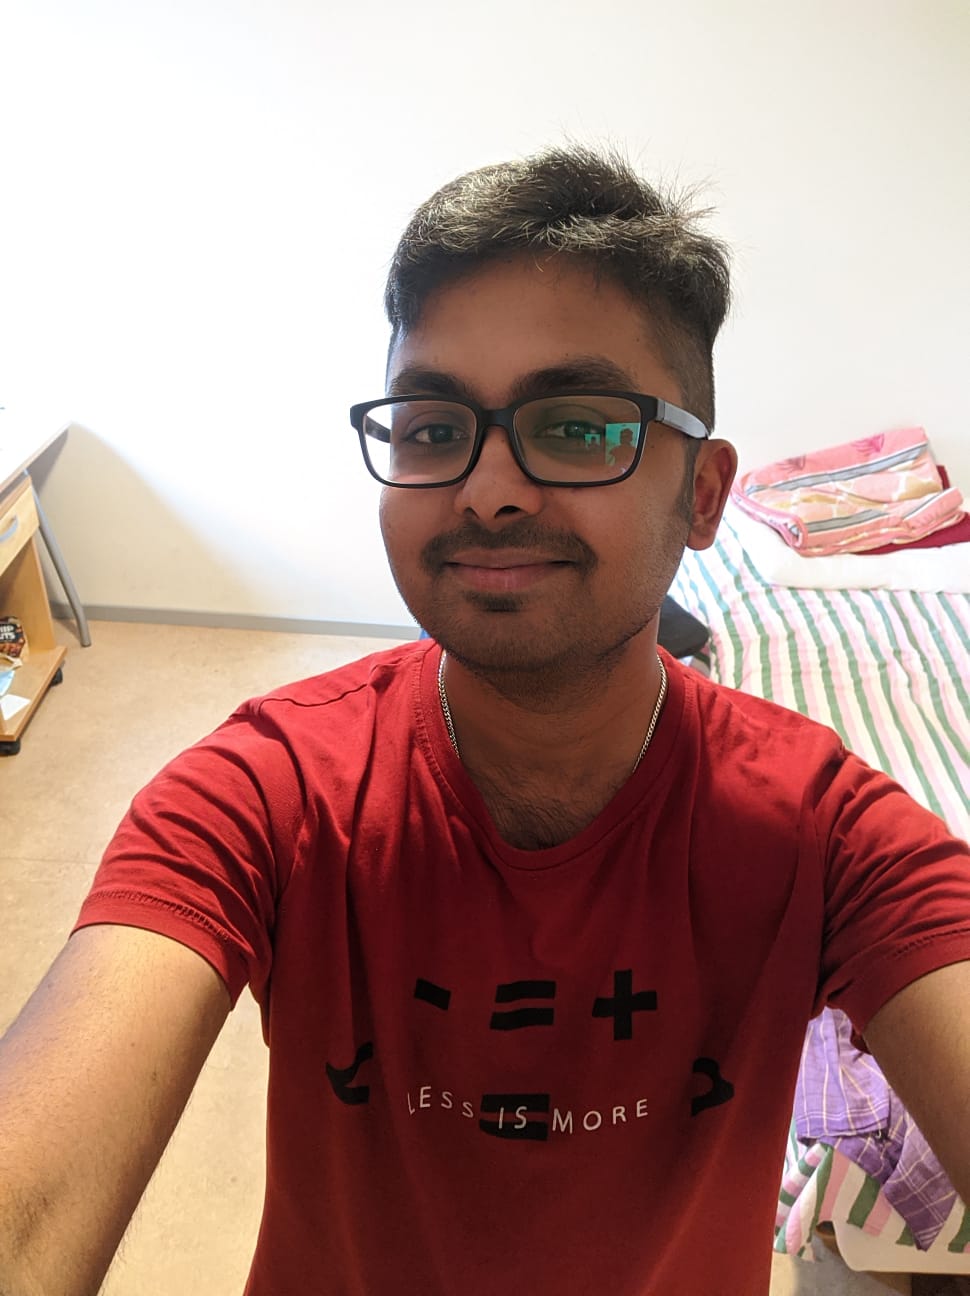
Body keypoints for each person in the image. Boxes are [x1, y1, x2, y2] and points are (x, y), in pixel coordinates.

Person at [1, 146, 969, 1296]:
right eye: (430, 426)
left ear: (703, 496)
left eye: (578, 427)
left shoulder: (824, 834)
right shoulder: (263, 795)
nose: (489, 490)